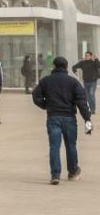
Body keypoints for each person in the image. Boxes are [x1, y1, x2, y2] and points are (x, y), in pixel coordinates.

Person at [31, 56, 92, 185]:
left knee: (54, 146)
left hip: (53, 117)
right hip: (69, 118)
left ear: (53, 66)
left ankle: (55, 175)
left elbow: (36, 96)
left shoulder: (46, 81)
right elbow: (82, 102)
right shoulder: (73, 82)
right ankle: (73, 171)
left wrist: (46, 105)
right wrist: (87, 120)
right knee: (71, 145)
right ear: (66, 66)